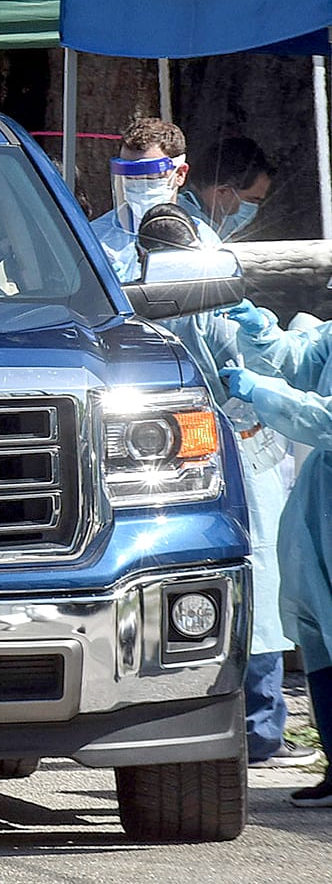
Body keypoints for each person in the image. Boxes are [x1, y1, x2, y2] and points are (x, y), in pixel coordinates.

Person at [139, 209, 311, 767]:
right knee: (256, 580)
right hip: (239, 447)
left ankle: (197, 724)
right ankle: (260, 729)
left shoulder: (137, 305)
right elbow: (258, 375)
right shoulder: (213, 307)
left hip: (168, 457)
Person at [220, 353, 332, 804]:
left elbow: (325, 418)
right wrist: (260, 334)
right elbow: (295, 355)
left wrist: (264, 393)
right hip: (319, 501)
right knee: (317, 638)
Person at [87, 117, 219, 280]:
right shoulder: (94, 238)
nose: (138, 186)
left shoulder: (200, 239)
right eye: (129, 178)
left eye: (150, 178)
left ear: (180, 174)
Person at [193, 136, 276, 240]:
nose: (255, 207)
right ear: (222, 191)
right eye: (252, 200)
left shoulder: (216, 221)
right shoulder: (187, 224)